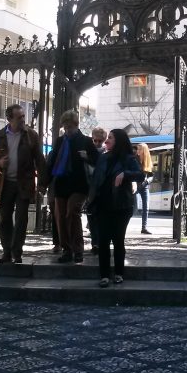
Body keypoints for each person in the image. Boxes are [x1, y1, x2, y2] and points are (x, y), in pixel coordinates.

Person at [0, 104, 46, 264]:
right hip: (4, 184)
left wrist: (42, 183)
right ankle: (7, 252)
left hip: (24, 183)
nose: (23, 120)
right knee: (4, 218)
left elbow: (39, 160)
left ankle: (17, 252)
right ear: (9, 119)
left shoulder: (31, 135)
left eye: (23, 116)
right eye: (19, 117)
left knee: (21, 219)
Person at [87, 129, 143, 287]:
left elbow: (140, 175)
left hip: (121, 205)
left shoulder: (129, 158)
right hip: (103, 204)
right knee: (103, 240)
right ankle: (104, 275)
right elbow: (96, 180)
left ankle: (119, 273)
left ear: (118, 140)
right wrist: (91, 199)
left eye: (110, 138)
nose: (106, 141)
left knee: (118, 239)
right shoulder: (103, 158)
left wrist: (125, 174)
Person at [42, 110, 98, 264]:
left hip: (79, 184)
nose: (67, 130)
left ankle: (78, 250)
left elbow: (97, 160)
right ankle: (67, 249)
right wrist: (44, 183)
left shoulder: (86, 141)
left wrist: (87, 157)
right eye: (65, 127)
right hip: (61, 183)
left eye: (70, 127)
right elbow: (52, 162)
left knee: (72, 212)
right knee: (60, 217)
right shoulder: (60, 141)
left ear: (76, 125)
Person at [87, 126, 108, 255]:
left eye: (100, 141)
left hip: (101, 188)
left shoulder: (106, 154)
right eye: (95, 140)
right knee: (91, 216)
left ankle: (99, 243)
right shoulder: (89, 152)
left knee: (100, 217)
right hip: (90, 187)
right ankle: (95, 243)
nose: (97, 143)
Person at [133, 143, 153, 234]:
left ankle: (144, 228)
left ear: (144, 151)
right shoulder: (134, 159)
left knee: (146, 207)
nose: (138, 151)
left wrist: (147, 181)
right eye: (137, 149)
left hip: (144, 186)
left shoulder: (148, 161)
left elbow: (151, 175)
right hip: (135, 185)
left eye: (140, 149)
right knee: (131, 207)